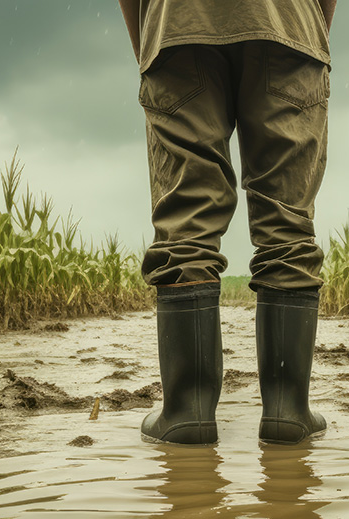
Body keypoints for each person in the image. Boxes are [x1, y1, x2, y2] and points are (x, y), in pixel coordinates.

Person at [118, 0, 337, 445]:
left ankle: (187, 413)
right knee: (287, 222)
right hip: (289, 21)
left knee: (187, 222)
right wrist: (306, 28)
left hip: (177, 22)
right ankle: (287, 413)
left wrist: (151, 42)